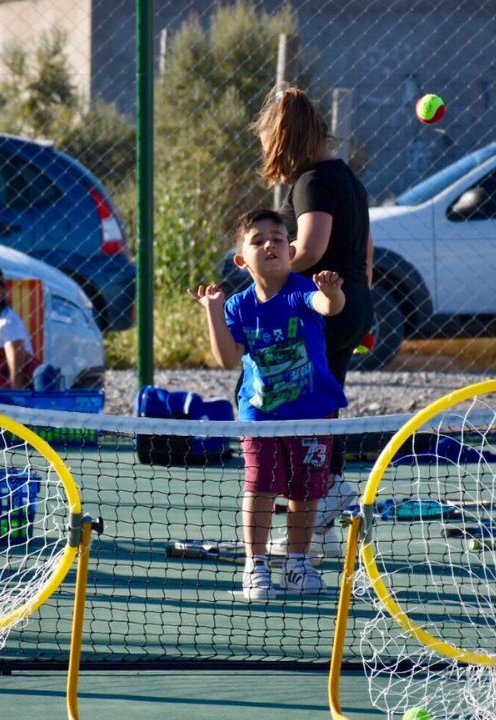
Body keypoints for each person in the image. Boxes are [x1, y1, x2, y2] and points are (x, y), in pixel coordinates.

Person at [189, 208, 346, 599]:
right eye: (258, 241)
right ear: (242, 260)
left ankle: (297, 562)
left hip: (312, 414)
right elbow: (227, 358)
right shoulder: (238, 306)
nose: (269, 245)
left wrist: (331, 292)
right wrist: (212, 312)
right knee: (259, 486)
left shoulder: (299, 290)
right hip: (259, 413)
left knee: (305, 493)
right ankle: (255, 565)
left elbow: (329, 307)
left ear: (291, 251)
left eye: (277, 239)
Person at [251, 85, 373, 556]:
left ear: (285, 137)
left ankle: (327, 493)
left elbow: (312, 248)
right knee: (322, 404)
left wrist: (267, 271)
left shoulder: (315, 181)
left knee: (305, 408)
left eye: (268, 139)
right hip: (347, 301)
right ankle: (326, 504)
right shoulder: (345, 176)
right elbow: (366, 250)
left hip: (331, 305)